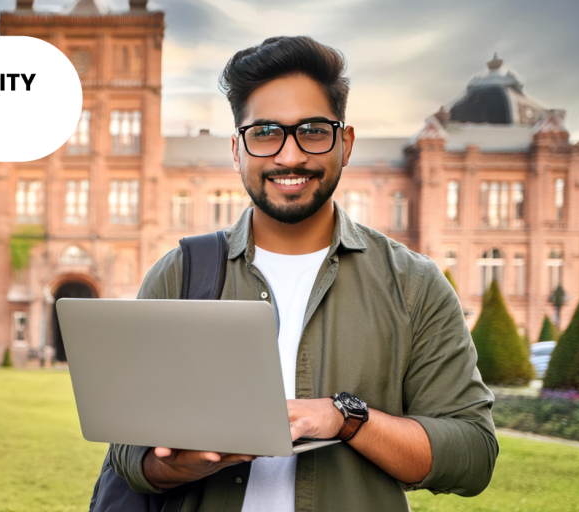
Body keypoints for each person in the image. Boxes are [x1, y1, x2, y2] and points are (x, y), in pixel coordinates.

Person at [104, 36, 497, 512]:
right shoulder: (179, 274)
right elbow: (127, 451)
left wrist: (345, 418)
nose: (289, 157)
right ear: (236, 150)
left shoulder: (413, 285)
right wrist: (176, 465)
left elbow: (473, 454)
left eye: (312, 130)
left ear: (345, 143)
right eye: (265, 132)